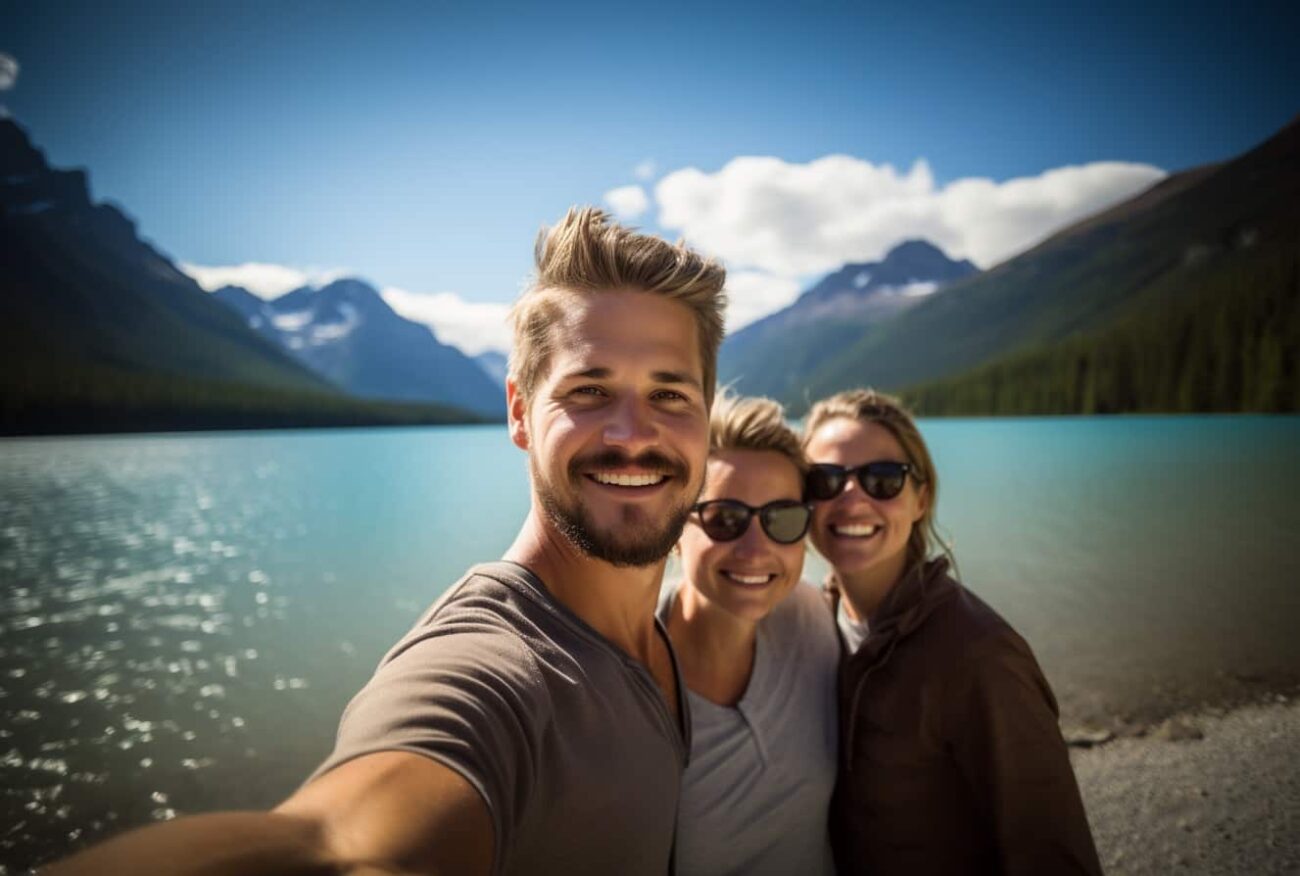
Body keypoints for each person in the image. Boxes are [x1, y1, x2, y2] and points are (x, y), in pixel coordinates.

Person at [48, 207, 727, 876]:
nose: (632, 434)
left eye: (669, 396)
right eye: (589, 390)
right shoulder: (498, 667)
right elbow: (340, 842)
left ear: (706, 411)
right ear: (519, 412)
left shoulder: (649, 631)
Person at [803, 388, 1102, 876]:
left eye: (882, 479)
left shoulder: (981, 657)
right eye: (825, 479)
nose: (851, 498)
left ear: (921, 499)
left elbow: (1055, 856)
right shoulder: (811, 626)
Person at [659, 393, 838, 876]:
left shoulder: (813, 621)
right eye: (725, 518)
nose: (756, 550)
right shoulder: (628, 677)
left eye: (783, 518)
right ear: (674, 527)